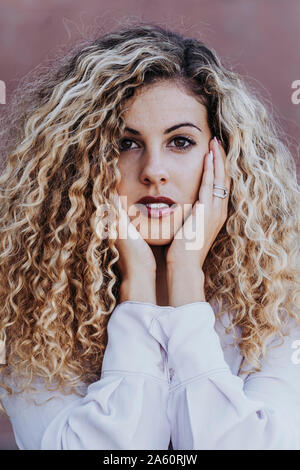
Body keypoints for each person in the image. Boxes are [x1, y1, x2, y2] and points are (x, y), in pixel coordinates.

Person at [0, 22, 299, 450]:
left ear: (222, 158)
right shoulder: (29, 311)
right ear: (79, 165)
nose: (153, 170)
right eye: (125, 143)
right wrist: (137, 284)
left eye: (180, 142)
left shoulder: (281, 301)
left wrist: (185, 278)